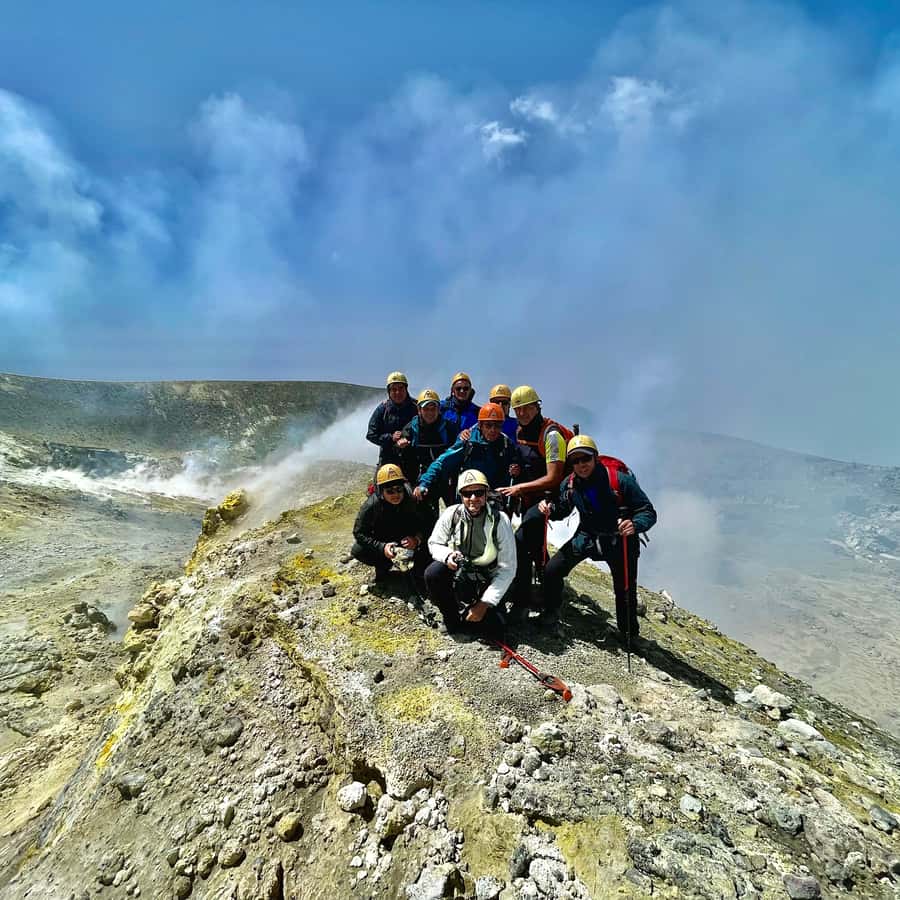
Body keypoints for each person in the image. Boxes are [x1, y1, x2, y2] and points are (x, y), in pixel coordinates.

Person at [538, 435, 657, 639]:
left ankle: (629, 635)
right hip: (588, 536)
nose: (581, 464)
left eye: (585, 459)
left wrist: (635, 525)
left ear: (595, 458)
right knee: (552, 570)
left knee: (625, 592)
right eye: (575, 461)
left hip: (620, 540)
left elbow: (647, 512)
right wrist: (549, 508)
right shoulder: (570, 484)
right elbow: (562, 510)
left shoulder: (619, 481)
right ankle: (550, 614)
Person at [497, 386, 572, 602]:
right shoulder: (521, 431)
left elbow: (554, 478)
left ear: (537, 407)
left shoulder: (552, 436)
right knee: (536, 544)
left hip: (553, 500)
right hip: (533, 498)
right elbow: (529, 462)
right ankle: (548, 594)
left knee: (519, 543)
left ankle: (523, 599)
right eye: (518, 409)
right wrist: (518, 471)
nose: (522, 414)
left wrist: (521, 488)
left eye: (527, 408)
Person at [425, 469, 517, 637]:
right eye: (467, 493)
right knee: (433, 574)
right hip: (461, 570)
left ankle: (480, 610)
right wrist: (447, 556)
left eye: (478, 492)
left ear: (486, 493)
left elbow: (508, 568)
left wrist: (484, 604)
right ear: (461, 495)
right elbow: (434, 542)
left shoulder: (500, 520)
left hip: (489, 575)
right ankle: (451, 618)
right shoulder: (452, 513)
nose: (473, 498)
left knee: (494, 629)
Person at [414, 403, 521, 502]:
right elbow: (441, 462)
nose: (493, 430)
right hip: (469, 498)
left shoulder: (507, 444)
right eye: (488, 425)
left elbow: (514, 469)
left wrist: (515, 470)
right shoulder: (467, 442)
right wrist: (424, 483)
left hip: (495, 498)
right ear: (480, 425)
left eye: (497, 426)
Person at [351, 464, 430, 584]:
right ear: (381, 491)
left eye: (399, 489)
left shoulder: (413, 499)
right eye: (390, 491)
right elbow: (359, 532)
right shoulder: (371, 506)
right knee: (358, 550)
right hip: (384, 539)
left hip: (410, 539)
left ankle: (418, 566)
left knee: (423, 569)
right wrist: (382, 547)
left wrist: (417, 539)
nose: (396, 495)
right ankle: (384, 564)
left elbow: (430, 523)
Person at [398, 389, 460, 528]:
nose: (430, 412)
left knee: (455, 512)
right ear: (419, 410)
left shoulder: (448, 427)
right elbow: (403, 442)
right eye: (426, 409)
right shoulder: (412, 427)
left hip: (446, 477)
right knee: (429, 517)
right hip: (424, 477)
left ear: (439, 409)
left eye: (434, 408)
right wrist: (401, 443)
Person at [367, 372, 418, 477]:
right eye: (394, 389)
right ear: (389, 391)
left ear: (406, 389)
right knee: (382, 490)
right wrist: (391, 438)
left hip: (413, 460)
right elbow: (371, 434)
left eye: (401, 388)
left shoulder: (416, 407)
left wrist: (408, 440)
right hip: (388, 459)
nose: (397, 392)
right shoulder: (383, 409)